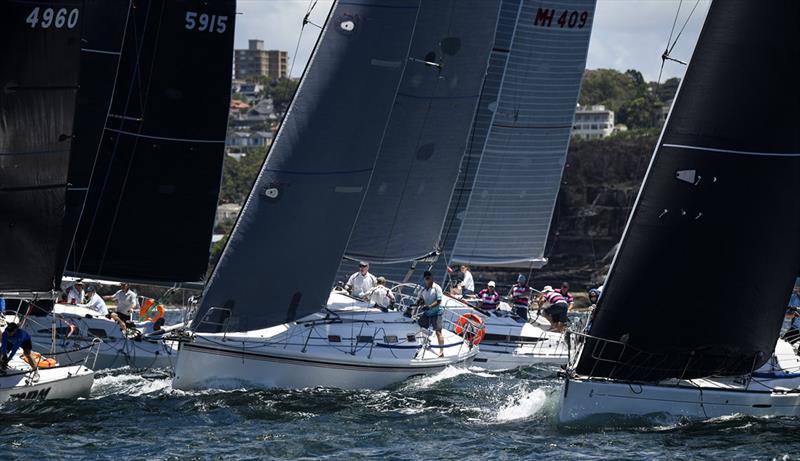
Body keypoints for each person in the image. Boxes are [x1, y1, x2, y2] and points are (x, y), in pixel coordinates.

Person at [416, 271, 444, 357]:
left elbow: (439, 301)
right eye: (426, 277)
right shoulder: (423, 290)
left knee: (438, 332)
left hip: (437, 312)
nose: (428, 279)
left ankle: (441, 351)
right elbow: (421, 300)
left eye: (429, 277)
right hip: (427, 313)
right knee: (418, 327)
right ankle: (423, 342)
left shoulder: (437, 288)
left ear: (432, 277)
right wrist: (419, 303)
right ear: (424, 279)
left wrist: (429, 306)